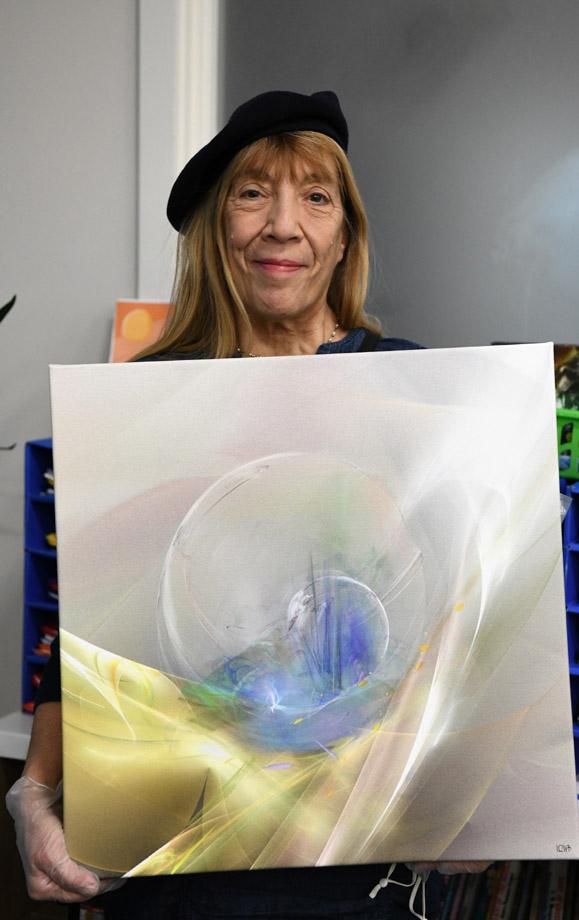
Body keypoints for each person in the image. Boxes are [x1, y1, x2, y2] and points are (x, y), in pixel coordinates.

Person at [6, 90, 490, 919]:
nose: (282, 225)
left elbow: (467, 612)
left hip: (359, 862)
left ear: (345, 235)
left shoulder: (413, 388)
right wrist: (37, 790)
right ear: (215, 228)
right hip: (176, 860)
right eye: (252, 193)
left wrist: (481, 785)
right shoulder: (148, 399)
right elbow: (92, 627)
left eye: (316, 196)